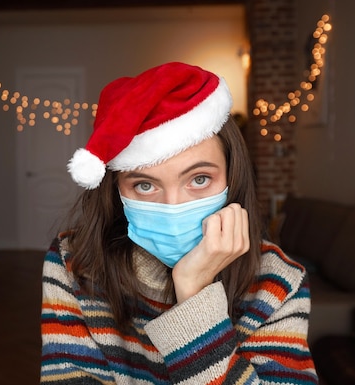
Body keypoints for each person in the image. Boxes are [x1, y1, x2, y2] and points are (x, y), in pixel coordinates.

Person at [40, 62, 318, 384]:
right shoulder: (73, 263)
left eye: (199, 179)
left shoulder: (279, 282)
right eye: (145, 185)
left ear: (232, 176)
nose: (173, 208)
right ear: (117, 191)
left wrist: (194, 292)